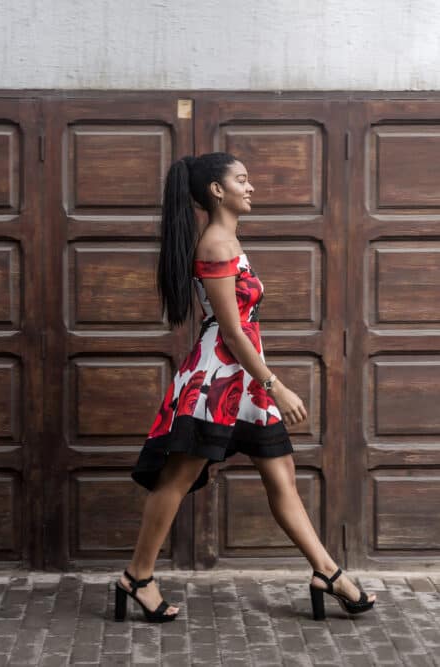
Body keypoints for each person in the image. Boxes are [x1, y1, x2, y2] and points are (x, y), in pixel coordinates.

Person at [114, 152, 376, 623]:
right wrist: (275, 386)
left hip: (244, 380)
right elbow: (231, 332)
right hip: (217, 380)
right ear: (217, 190)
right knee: (177, 479)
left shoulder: (229, 239)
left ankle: (327, 572)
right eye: (242, 179)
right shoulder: (216, 243)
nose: (251, 187)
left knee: (281, 476)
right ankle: (137, 577)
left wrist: (263, 384)